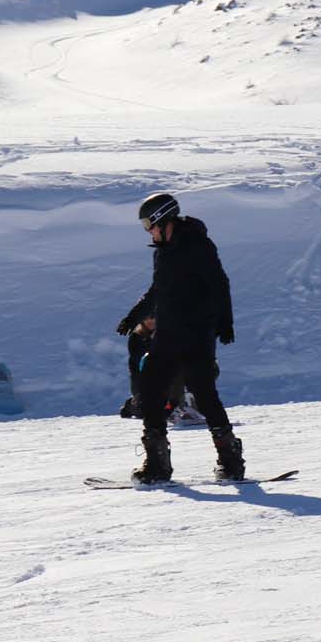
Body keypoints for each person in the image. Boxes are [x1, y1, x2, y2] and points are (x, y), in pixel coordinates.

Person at [114, 192, 241, 483]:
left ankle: (231, 459)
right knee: (151, 390)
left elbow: (219, 283)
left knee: (204, 394)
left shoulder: (198, 246)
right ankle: (157, 464)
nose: (147, 230)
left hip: (197, 332)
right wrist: (134, 315)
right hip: (169, 333)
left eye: (148, 224)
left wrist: (225, 321)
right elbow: (157, 289)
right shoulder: (162, 251)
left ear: (162, 219)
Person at [117, 316, 206, 426]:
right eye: (148, 318)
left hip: (171, 378)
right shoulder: (136, 338)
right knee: (149, 409)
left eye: (154, 318)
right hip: (144, 380)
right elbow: (142, 361)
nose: (151, 321)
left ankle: (188, 406)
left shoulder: (168, 333)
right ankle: (132, 405)